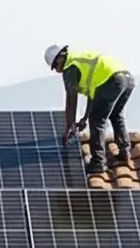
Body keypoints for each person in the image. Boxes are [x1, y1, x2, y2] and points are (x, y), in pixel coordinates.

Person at [44, 43, 135, 175]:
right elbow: (94, 97)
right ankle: (125, 153)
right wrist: (85, 118)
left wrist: (70, 125)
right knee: (116, 115)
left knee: (97, 120)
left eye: (55, 66)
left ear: (60, 58)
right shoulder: (82, 62)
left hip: (112, 80)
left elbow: (71, 96)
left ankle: (98, 162)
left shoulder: (70, 67)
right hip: (127, 79)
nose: (57, 70)